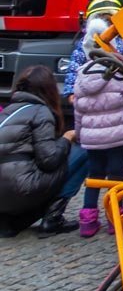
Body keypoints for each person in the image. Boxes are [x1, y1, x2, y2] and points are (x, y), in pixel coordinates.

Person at [0, 66, 88, 237]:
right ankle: (53, 218)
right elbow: (49, 161)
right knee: (84, 151)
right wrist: (67, 138)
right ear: (49, 89)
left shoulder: (8, 112)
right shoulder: (41, 112)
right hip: (20, 190)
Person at [64, 0, 123, 169]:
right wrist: (70, 92)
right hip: (92, 92)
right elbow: (73, 68)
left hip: (116, 93)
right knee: (95, 123)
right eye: (101, 19)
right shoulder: (82, 47)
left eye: (109, 20)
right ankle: (96, 152)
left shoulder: (122, 44)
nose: (106, 24)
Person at [73, 57, 123, 237]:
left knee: (94, 175)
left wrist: (80, 134)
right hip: (119, 135)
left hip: (93, 137)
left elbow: (78, 113)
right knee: (115, 174)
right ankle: (115, 218)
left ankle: (88, 220)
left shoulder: (81, 80)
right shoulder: (117, 75)